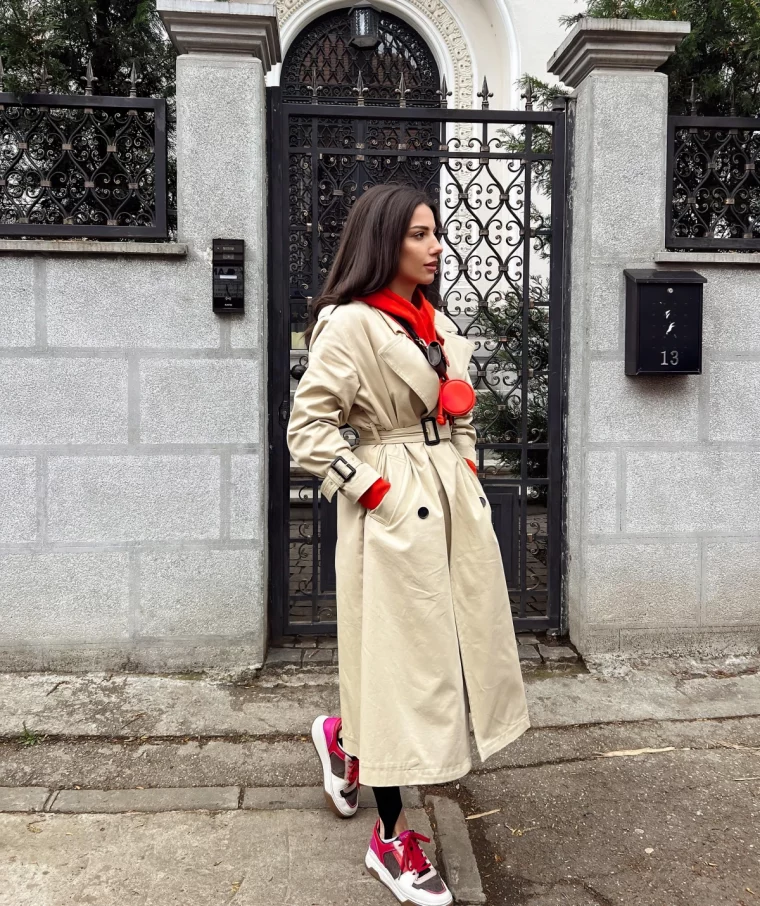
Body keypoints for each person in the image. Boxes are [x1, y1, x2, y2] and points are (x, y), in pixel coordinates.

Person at [287, 183, 529, 906]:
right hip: (393, 510)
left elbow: (458, 412)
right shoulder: (351, 325)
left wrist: (468, 466)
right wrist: (376, 492)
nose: (435, 247)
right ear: (385, 241)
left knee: (441, 657)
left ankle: (342, 737)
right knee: (397, 671)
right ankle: (390, 838)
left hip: (449, 504)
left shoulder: (435, 323)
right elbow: (308, 432)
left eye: (436, 233)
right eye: (420, 235)